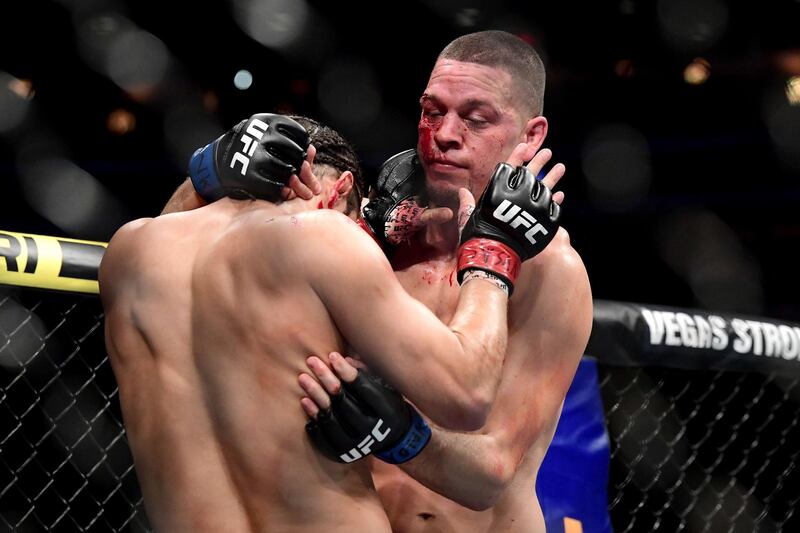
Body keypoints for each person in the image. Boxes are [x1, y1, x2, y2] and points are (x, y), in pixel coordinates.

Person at [99, 113, 561, 532]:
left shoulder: (129, 253)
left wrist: (205, 169)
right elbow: (468, 394)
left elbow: (178, 230)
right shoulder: (326, 236)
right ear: (339, 190)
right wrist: (493, 249)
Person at [299, 30, 593, 532]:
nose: (445, 134)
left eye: (476, 119)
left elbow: (491, 474)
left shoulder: (550, 269)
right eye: (433, 111)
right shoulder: (375, 234)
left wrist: (392, 433)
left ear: (531, 135)